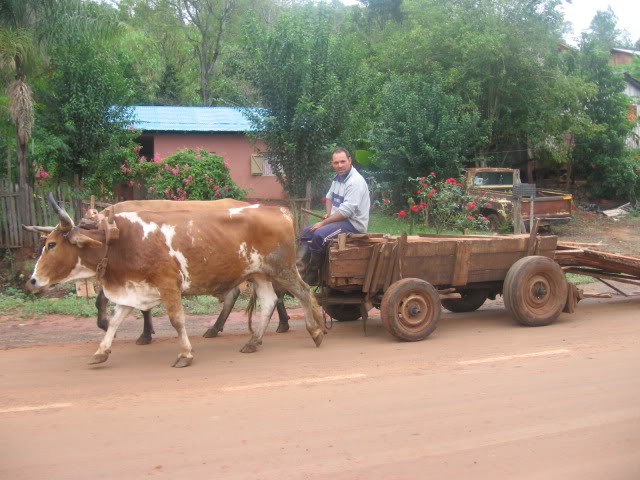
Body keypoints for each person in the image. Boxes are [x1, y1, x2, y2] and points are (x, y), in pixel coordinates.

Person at [299, 147, 370, 284]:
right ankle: (299, 271)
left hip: (352, 224)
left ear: (350, 160)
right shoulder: (337, 179)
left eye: (343, 161)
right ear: (332, 164)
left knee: (319, 234)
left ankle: (314, 274)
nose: (340, 165)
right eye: (336, 163)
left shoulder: (355, 182)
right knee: (305, 233)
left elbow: (346, 212)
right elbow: (329, 198)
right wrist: (328, 213)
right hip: (339, 220)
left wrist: (323, 223)